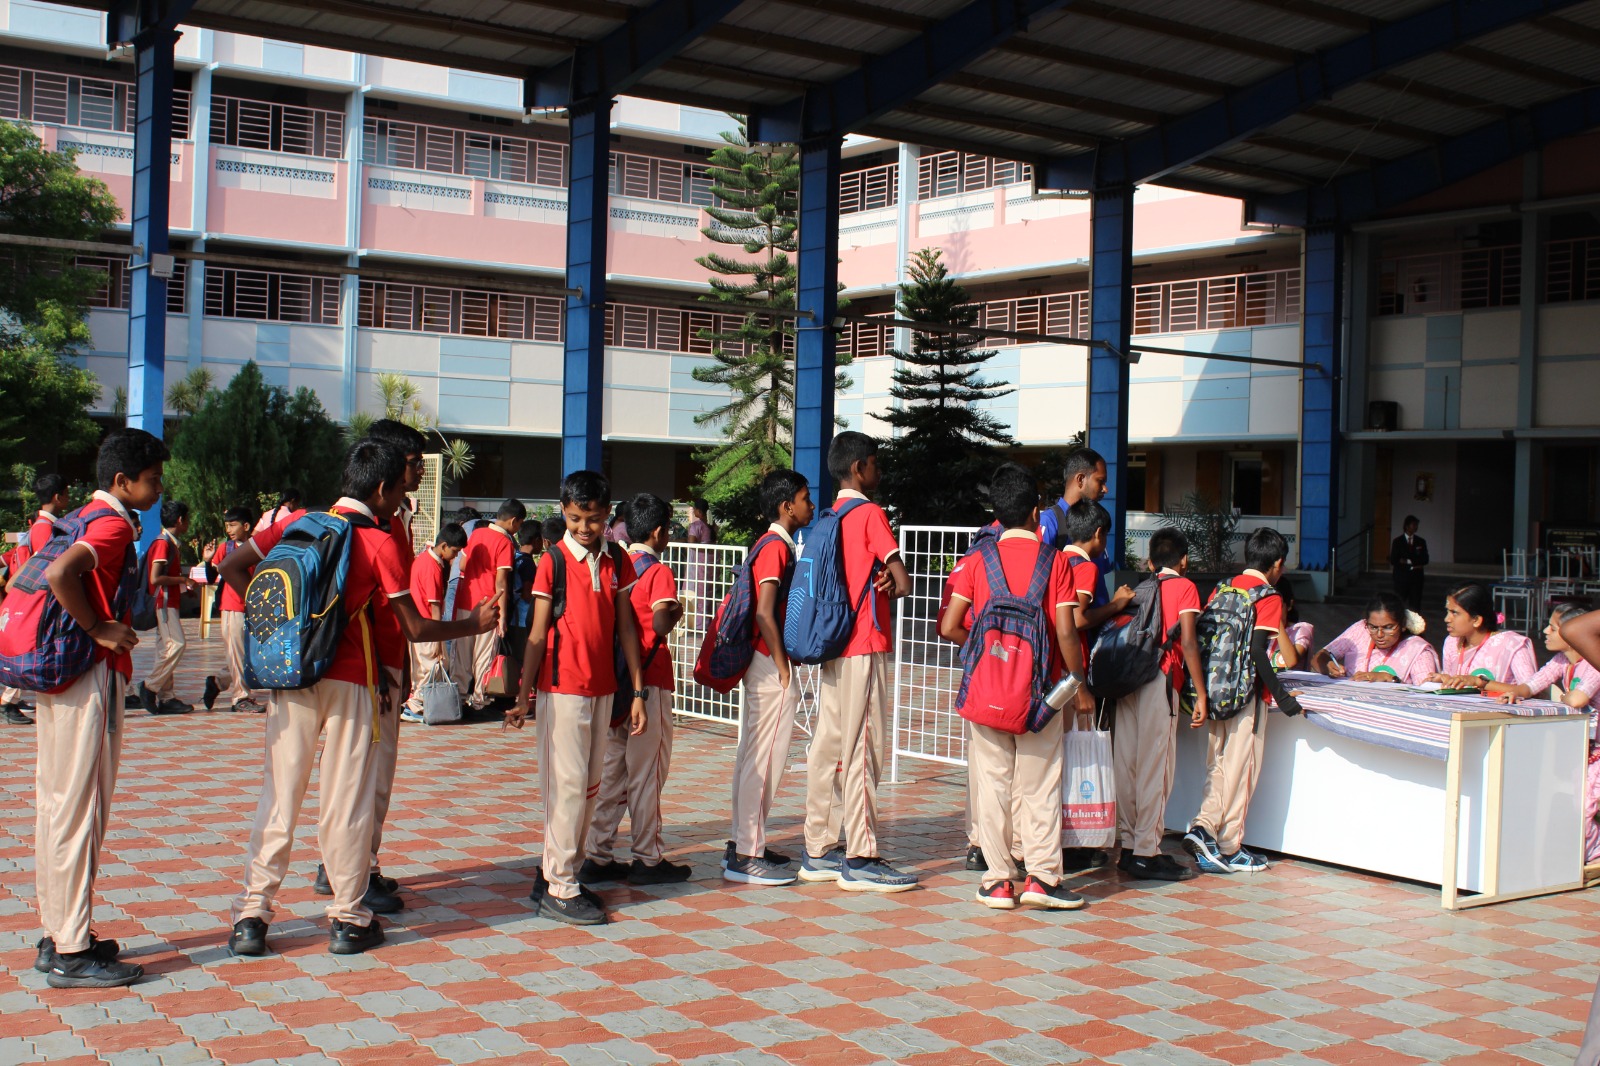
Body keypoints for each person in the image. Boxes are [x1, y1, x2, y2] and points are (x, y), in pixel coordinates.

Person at [222, 440, 498, 959]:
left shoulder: (299, 522)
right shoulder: (378, 538)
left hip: (293, 677)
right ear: (380, 489)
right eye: (397, 491)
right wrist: (474, 622)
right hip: (353, 679)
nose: (398, 502)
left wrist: (281, 633)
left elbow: (237, 569)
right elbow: (414, 627)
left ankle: (251, 916)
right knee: (345, 799)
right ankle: (349, 917)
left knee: (279, 795)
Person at [33, 427, 166, 988]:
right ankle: (71, 950)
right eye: (152, 480)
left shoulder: (79, 518)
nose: (158, 491)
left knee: (58, 804)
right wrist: (99, 627)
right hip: (89, 677)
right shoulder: (110, 525)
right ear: (121, 481)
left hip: (62, 677)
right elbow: (62, 576)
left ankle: (58, 932)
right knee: (81, 811)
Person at [941, 462, 1093, 911]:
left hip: (986, 693)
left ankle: (998, 881)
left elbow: (950, 625)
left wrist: (988, 655)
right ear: (1036, 510)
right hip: (1040, 697)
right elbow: (1066, 631)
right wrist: (1077, 683)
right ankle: (1043, 879)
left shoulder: (976, 561)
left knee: (991, 784)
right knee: (1040, 782)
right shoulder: (1056, 561)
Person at [505, 470, 648, 926]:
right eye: (574, 518)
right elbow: (537, 631)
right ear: (563, 512)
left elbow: (627, 627)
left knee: (588, 788)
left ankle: (559, 873)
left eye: (592, 518)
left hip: (603, 687)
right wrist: (524, 694)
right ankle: (560, 886)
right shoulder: (553, 561)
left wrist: (639, 690)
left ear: (608, 514)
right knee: (566, 788)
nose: (584, 527)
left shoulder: (618, 561)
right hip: (561, 688)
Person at [800, 432, 915, 892]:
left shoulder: (828, 518)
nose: (878, 473)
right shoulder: (868, 513)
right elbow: (902, 581)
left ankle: (819, 847)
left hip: (833, 644)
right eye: (875, 465)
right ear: (860, 468)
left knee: (827, 745)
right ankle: (861, 856)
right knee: (863, 748)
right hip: (864, 642)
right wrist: (892, 579)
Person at [582, 492, 690, 886]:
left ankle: (598, 852)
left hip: (618, 682)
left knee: (612, 772)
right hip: (650, 682)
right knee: (646, 773)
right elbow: (660, 624)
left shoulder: (618, 566)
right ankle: (647, 856)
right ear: (660, 532)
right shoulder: (658, 570)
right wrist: (677, 610)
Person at [1183, 527, 1303, 876]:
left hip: (1215, 688)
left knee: (1218, 764)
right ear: (1277, 563)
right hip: (1246, 694)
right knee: (1241, 768)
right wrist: (1283, 697)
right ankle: (1221, 840)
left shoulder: (1223, 587)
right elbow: (1257, 652)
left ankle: (1210, 833)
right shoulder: (1268, 596)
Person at [724, 469, 813, 886]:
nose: (809, 505)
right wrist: (782, 667)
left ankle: (745, 843)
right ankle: (747, 853)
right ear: (786, 506)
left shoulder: (767, 543)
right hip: (766, 660)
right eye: (804, 498)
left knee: (752, 755)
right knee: (765, 758)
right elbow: (764, 611)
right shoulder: (776, 547)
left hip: (759, 659)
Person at [1114, 526, 1205, 882]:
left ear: (1151, 561)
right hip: (1160, 680)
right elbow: (1189, 642)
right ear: (1184, 560)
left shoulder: (1140, 588)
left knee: (1128, 764)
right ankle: (1147, 852)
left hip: (1128, 680)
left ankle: (1127, 846)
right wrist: (1200, 692)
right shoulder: (1185, 587)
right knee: (1156, 766)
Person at [1, 472, 71, 724]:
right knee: (29, 649)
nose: (69, 497)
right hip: (36, 600)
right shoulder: (46, 528)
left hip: (28, 599)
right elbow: (43, 567)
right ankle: (8, 701)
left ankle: (13, 699)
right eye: (66, 492)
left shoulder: (39, 526)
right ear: (57, 496)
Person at [459, 499, 525, 711]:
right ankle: (478, 699)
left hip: (465, 600)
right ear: (514, 521)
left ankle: (459, 697)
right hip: (489, 605)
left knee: (462, 654)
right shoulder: (504, 542)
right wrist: (503, 616)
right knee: (483, 655)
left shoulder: (476, 533)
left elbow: (462, 563)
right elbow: (501, 581)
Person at [402, 522, 468, 722]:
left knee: (422, 668)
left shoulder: (422, 560)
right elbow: (435, 606)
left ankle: (415, 704)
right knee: (430, 667)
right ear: (444, 546)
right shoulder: (432, 567)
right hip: (428, 626)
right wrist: (440, 638)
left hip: (418, 624)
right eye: (455, 552)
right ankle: (415, 706)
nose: (455, 556)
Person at [203, 507, 263, 713]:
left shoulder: (257, 547)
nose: (229, 529)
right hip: (231, 607)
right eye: (227, 525)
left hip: (251, 608)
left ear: (246, 526)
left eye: (233, 525)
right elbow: (211, 578)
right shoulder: (225, 548)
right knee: (238, 653)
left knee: (246, 655)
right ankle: (240, 698)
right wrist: (207, 561)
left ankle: (218, 681)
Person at [1427, 582, 1538, 691]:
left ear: (1476, 620)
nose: (1447, 619)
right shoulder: (1452, 642)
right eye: (1447, 611)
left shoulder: (1512, 645)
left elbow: (1529, 691)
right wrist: (1446, 679)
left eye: (1454, 613)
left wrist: (1480, 683)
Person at [138, 500, 193, 715]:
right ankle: (149, 686)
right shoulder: (163, 543)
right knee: (176, 645)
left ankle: (167, 697)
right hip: (164, 601)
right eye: (186, 519)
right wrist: (182, 580)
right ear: (180, 520)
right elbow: (156, 577)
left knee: (165, 649)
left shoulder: (169, 542)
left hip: (170, 601)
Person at [1485, 604, 1599, 708]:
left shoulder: (1594, 662)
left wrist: (1563, 697)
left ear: (1572, 635)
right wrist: (1514, 693)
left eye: (1553, 629)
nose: (1545, 631)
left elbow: (1576, 700)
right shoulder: (1561, 659)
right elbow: (1531, 685)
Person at [1312, 592, 1439, 685]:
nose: (1379, 634)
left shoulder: (1417, 651)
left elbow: (1427, 692)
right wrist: (1328, 666)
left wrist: (1391, 679)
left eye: (1388, 627)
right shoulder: (1360, 630)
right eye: (1373, 627)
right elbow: (1319, 658)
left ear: (1403, 625)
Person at [1389, 515, 1428, 613]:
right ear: (1406, 526)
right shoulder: (1397, 541)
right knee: (1399, 603)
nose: (1415, 527)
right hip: (1401, 578)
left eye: (1416, 525)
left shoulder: (1421, 541)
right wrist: (1412, 562)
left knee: (1415, 605)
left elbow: (1425, 559)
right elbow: (1394, 560)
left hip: (1416, 578)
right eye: (1413, 524)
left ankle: (1414, 627)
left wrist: (1407, 560)